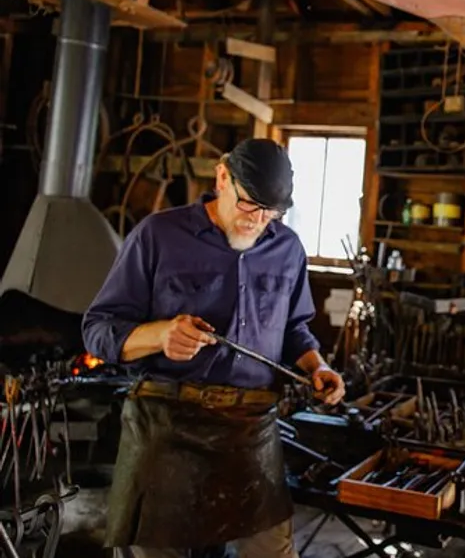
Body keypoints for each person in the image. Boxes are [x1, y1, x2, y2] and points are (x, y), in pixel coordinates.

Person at [82, 138, 346, 558]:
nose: (257, 220)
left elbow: (294, 328)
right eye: (248, 204)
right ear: (222, 177)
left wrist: (317, 366)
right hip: (167, 424)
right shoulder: (158, 236)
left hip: (250, 429)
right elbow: (97, 330)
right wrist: (160, 334)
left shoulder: (287, 250)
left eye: (270, 212)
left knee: (272, 552)